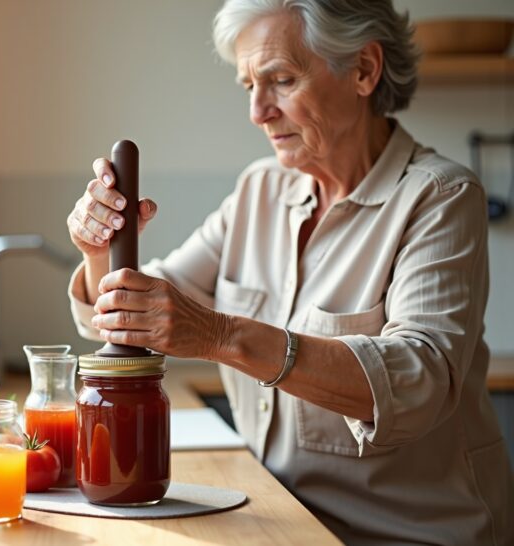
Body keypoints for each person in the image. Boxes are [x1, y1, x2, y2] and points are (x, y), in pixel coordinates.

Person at [65, 0, 514, 543]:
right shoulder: (260, 189)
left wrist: (219, 334)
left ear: (364, 71)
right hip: (277, 520)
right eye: (248, 86)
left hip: (400, 536)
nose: (258, 111)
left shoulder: (440, 196)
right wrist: (99, 251)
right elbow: (133, 309)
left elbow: (419, 380)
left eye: (280, 80)